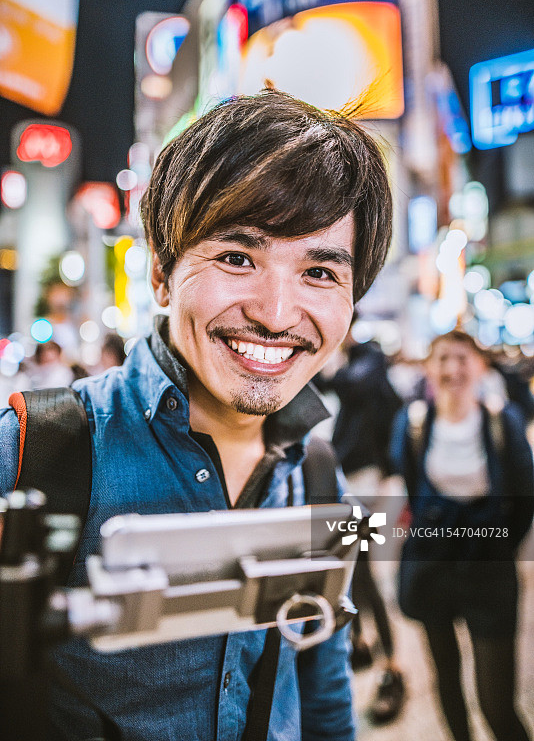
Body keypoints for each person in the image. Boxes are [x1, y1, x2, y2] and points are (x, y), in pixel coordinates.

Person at [0, 89, 393, 741]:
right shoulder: (29, 454)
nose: (275, 311)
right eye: (238, 257)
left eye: (320, 272)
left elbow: (323, 691)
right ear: (161, 272)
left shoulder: (321, 480)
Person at [391, 329, 534, 741]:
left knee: (497, 702)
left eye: (462, 358)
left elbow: (524, 499)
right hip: (432, 568)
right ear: (428, 368)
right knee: (447, 682)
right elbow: (412, 486)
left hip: (488, 572)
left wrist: (498, 543)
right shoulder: (414, 424)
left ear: (479, 365)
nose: (453, 369)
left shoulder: (502, 423)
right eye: (442, 359)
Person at [319, 330, 406, 724]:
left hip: (364, 483)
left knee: (364, 572)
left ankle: (393, 667)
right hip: (349, 480)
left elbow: (347, 384)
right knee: (351, 570)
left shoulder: (369, 358)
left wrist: (329, 353)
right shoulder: (354, 362)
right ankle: (362, 643)